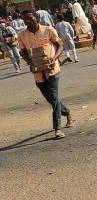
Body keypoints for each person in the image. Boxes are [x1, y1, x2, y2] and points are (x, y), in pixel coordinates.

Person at [16, 9, 73, 139]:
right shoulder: (22, 35)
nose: (27, 21)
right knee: (51, 100)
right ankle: (67, 112)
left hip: (53, 70)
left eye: (30, 18)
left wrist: (54, 58)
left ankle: (57, 129)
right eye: (25, 19)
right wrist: (29, 61)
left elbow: (60, 45)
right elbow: (23, 51)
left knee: (53, 97)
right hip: (37, 73)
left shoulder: (48, 30)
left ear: (36, 17)